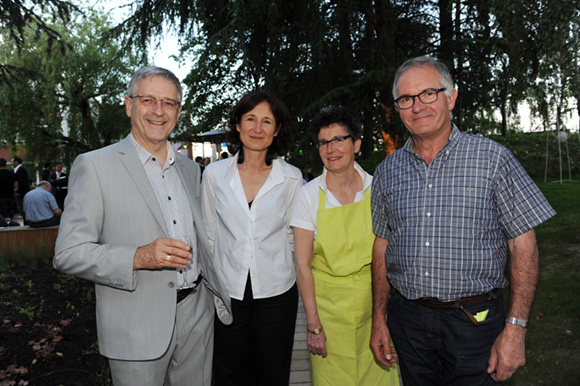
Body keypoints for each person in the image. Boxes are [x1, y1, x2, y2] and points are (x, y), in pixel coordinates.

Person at [370, 56, 556, 386]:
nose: (417, 106)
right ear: (397, 109)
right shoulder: (387, 172)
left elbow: (524, 244)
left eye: (428, 93)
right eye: (406, 99)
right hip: (408, 322)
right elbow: (382, 245)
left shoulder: (493, 159)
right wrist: (379, 318)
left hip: (476, 322)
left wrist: (515, 328)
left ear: (451, 97)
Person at [53, 66, 232, 386]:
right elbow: (68, 252)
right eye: (148, 99)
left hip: (197, 316)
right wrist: (138, 257)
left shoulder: (191, 170)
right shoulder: (95, 166)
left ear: (179, 111)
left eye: (169, 102)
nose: (159, 111)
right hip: (135, 325)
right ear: (128, 105)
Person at [290, 106, 400, 386]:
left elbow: (389, 254)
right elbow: (303, 266)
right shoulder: (307, 196)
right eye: (324, 142)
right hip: (327, 313)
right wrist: (313, 326)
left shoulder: (378, 189)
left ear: (357, 144)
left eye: (339, 139)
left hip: (374, 305)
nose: (331, 148)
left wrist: (386, 318)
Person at [201, 90, 303, 386]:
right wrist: (211, 288)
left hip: (276, 292)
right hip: (227, 292)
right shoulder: (214, 175)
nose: (257, 129)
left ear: (277, 130)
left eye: (267, 121)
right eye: (250, 119)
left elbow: (292, 236)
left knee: (273, 371)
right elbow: (209, 234)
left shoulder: (291, 178)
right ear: (237, 124)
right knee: (229, 371)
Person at [11, 156, 29, 222]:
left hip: (21, 193)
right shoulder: (15, 170)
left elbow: (22, 182)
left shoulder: (21, 170)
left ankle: (26, 222)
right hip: (19, 193)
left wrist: (17, 190)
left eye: (12, 162)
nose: (11, 163)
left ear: (16, 162)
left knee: (23, 209)